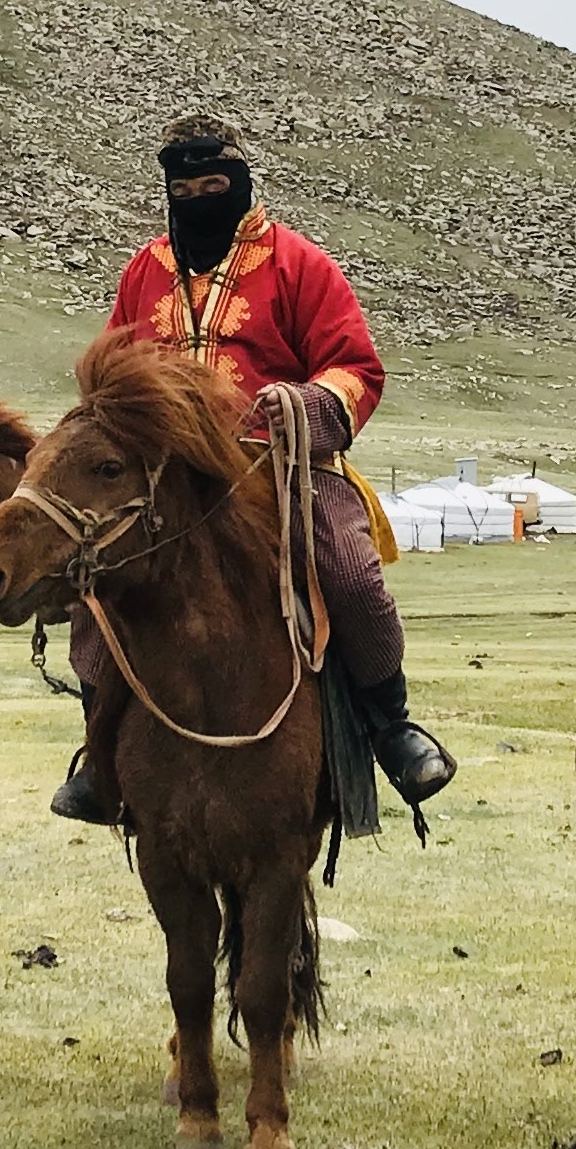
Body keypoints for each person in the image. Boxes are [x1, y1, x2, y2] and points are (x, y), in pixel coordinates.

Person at [52, 109, 452, 821]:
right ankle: (102, 750)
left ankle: (392, 727)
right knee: (99, 577)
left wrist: (303, 404)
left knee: (349, 574)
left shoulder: (299, 264)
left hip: (285, 468)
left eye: (215, 183)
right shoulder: (146, 270)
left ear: (241, 181)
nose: (200, 198)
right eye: (186, 188)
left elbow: (357, 367)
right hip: (168, 480)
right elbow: (109, 370)